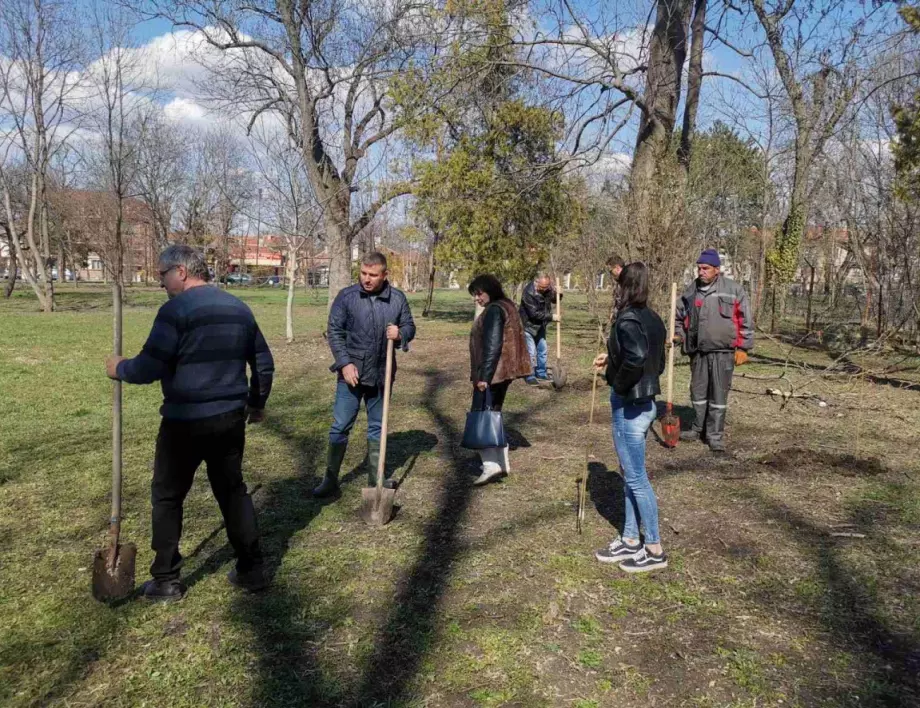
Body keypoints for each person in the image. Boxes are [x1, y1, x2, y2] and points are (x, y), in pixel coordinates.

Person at [104, 244, 274, 602]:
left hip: (185, 422)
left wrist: (119, 368)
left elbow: (150, 367)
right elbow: (263, 362)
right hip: (229, 419)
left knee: (167, 496)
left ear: (180, 271)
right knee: (232, 491)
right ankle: (252, 569)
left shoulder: (175, 311)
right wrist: (257, 403)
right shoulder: (239, 308)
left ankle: (166, 580)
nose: (161, 283)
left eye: (162, 275)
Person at [313, 252, 416, 497]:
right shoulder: (347, 297)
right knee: (340, 426)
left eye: (373, 275)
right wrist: (345, 364)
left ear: (384, 275)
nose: (367, 279)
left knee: (378, 427)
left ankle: (375, 477)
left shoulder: (397, 299)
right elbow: (335, 331)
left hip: (382, 373)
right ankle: (330, 479)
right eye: (363, 273)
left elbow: (410, 325)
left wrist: (401, 333)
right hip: (352, 374)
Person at [592, 262, 668, 573]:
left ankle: (653, 547)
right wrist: (612, 358)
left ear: (624, 287)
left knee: (637, 478)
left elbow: (637, 357)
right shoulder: (653, 318)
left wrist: (616, 380)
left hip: (631, 407)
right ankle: (629, 539)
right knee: (629, 473)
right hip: (646, 403)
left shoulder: (627, 319)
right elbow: (653, 360)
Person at [675, 249, 753, 453]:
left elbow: (745, 319)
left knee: (718, 395)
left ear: (717, 270)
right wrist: (678, 335)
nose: (701, 272)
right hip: (698, 352)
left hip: (723, 352)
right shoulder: (691, 291)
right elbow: (678, 316)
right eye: (699, 268)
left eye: (706, 268)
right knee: (698, 393)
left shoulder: (733, 289)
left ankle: (714, 435)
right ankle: (698, 428)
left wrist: (743, 347)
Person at [468, 274, 533, 485]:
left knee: (481, 417)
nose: (477, 298)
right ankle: (502, 462)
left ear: (490, 290)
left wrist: (483, 378)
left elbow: (492, 346)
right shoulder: (508, 305)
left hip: (493, 373)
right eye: (475, 295)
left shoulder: (495, 310)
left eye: (479, 293)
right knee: (494, 413)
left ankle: (490, 465)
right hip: (505, 372)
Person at [518, 273, 561, 385]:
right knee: (531, 352)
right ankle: (530, 374)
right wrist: (552, 317)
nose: (545, 289)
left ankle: (541, 372)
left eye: (547, 286)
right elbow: (533, 314)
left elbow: (554, 300)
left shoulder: (547, 288)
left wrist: (559, 294)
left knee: (542, 350)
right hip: (528, 325)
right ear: (536, 282)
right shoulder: (528, 292)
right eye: (543, 287)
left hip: (540, 325)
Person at [606, 255, 625, 326]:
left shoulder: (627, 282)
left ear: (617, 268)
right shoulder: (619, 282)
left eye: (611, 271)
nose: (610, 274)